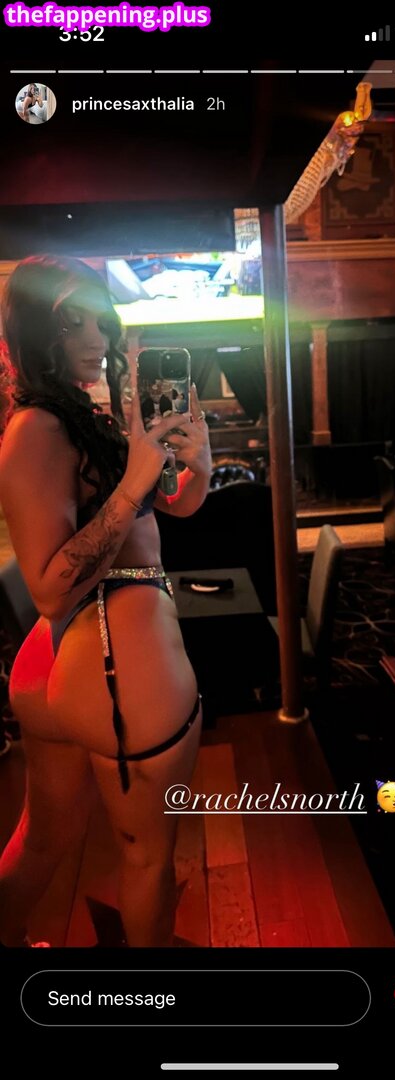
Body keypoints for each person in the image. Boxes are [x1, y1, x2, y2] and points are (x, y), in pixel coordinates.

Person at [0, 254, 212, 947]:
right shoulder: (36, 428)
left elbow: (166, 511)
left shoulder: (79, 414)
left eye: (102, 321)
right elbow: (48, 585)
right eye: (74, 324)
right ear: (37, 330)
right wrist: (132, 483)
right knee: (147, 859)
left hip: (74, 662)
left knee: (44, 840)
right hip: (114, 664)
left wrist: (196, 467)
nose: (97, 339)